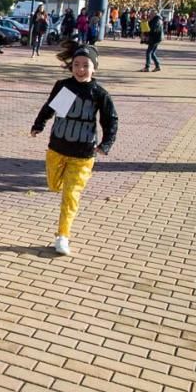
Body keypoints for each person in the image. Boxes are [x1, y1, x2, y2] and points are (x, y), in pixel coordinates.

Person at [31, 44, 118, 256]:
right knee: (53, 185)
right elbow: (51, 108)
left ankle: (63, 236)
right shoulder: (65, 87)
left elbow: (110, 121)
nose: (80, 69)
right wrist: (38, 125)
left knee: (71, 195)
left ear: (94, 68)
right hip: (57, 148)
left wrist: (105, 144)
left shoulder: (99, 94)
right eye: (76, 65)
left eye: (85, 65)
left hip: (83, 154)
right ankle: (61, 186)